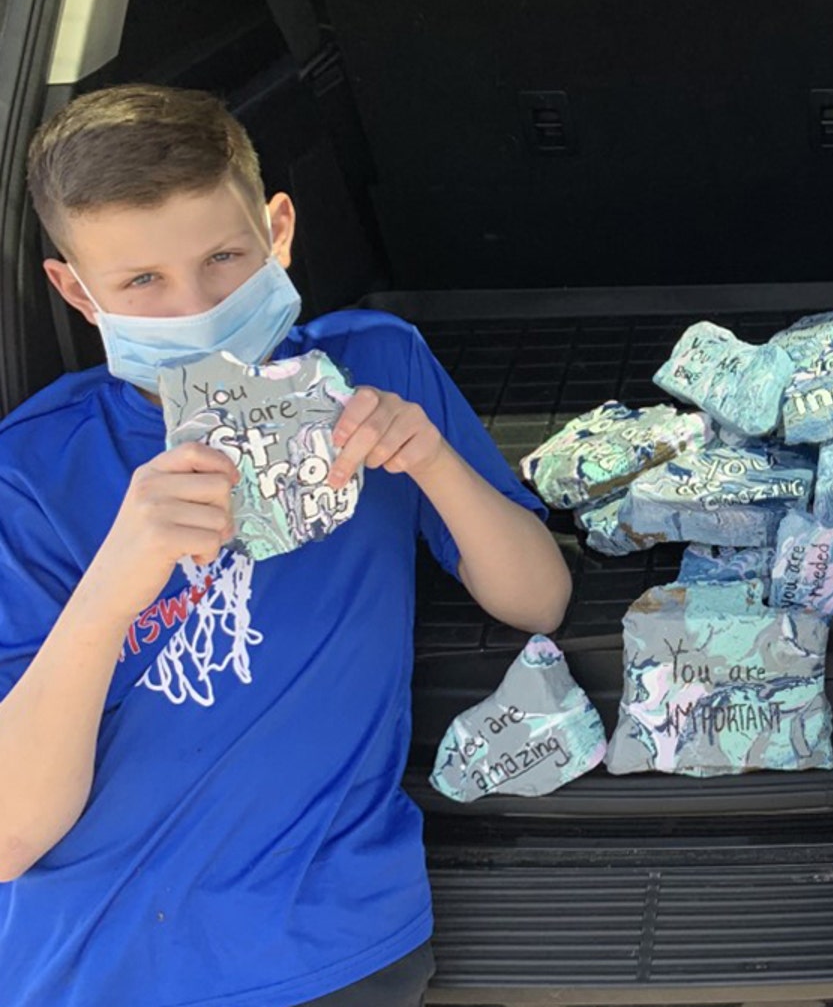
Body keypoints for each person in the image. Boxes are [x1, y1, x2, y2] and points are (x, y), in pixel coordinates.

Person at [0, 84, 572, 1005]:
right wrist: (113, 584)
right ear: (76, 291)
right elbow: (9, 836)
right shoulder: (30, 473)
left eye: (224, 258)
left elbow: (539, 598)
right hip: (91, 959)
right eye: (141, 282)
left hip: (326, 940)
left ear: (279, 232)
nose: (195, 308)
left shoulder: (376, 366)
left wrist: (432, 461)